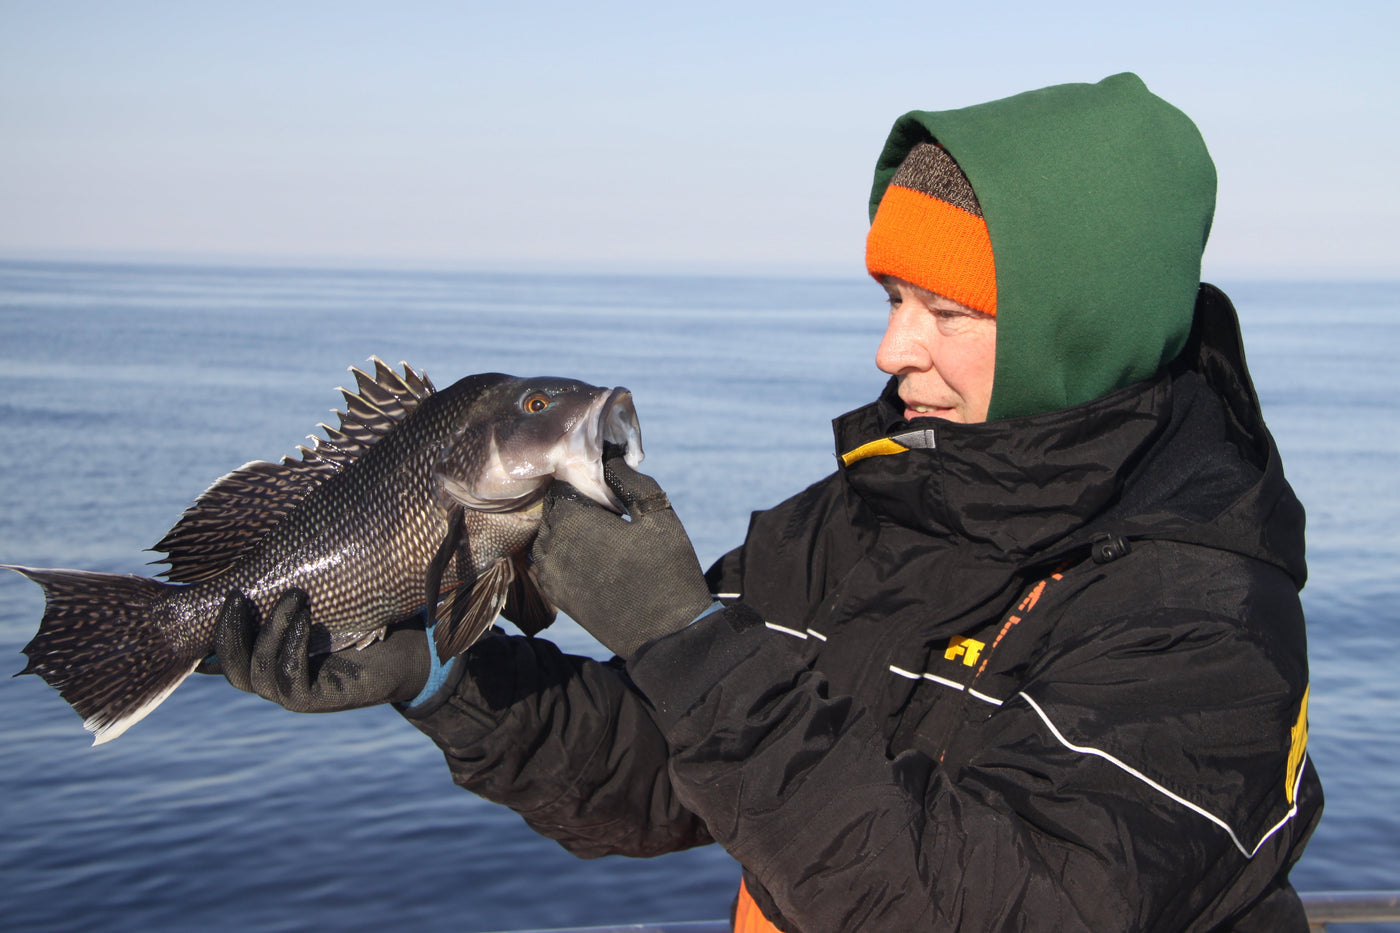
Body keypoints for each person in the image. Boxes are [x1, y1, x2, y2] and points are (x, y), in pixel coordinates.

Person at [210, 73, 1323, 931]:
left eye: (948, 312)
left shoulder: (1203, 621)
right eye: (892, 297)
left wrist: (685, 645)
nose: (892, 348)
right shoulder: (866, 516)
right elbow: (664, 771)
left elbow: (973, 906)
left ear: (1069, 331)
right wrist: (449, 677)